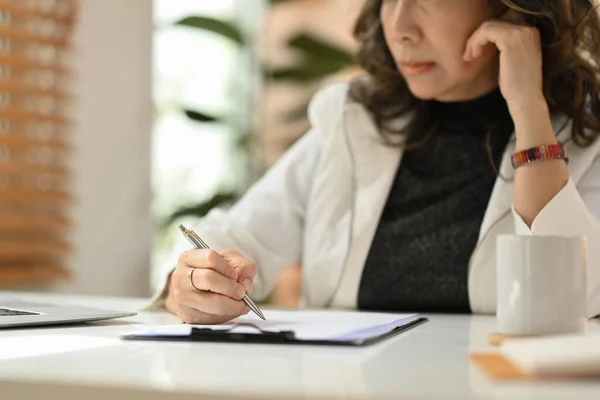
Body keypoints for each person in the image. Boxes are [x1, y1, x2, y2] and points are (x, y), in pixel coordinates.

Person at [151, 0, 600, 324]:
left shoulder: (585, 134)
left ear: (513, 11)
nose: (400, 27)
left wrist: (529, 110)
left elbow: (573, 302)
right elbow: (238, 235)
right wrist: (193, 281)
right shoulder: (352, 116)